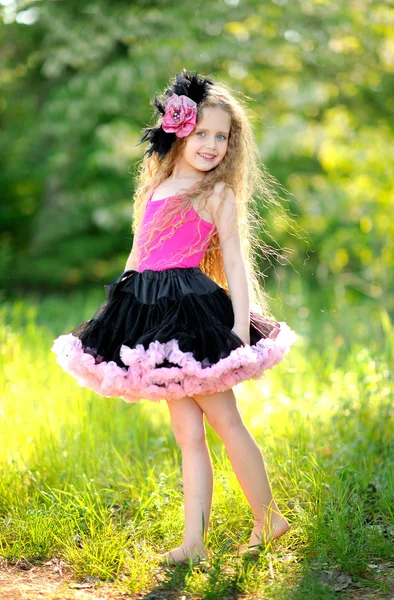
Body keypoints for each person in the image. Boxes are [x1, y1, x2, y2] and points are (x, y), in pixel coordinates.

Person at [52, 69, 298, 566]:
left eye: (221, 136)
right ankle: (193, 543)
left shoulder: (217, 195)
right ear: (178, 130)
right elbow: (137, 256)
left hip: (191, 316)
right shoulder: (156, 188)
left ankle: (268, 517)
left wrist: (237, 326)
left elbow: (234, 262)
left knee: (226, 422)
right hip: (149, 319)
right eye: (201, 132)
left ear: (230, 145)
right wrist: (113, 313)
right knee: (188, 435)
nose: (210, 144)